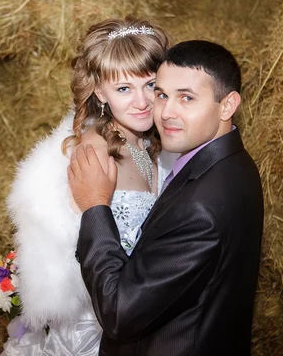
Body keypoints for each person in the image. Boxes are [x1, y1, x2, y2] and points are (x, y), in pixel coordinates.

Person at [68, 40, 264, 355]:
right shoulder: (235, 164)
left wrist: (95, 204)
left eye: (186, 98)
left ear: (227, 105)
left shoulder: (200, 207)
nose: (165, 113)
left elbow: (119, 312)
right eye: (162, 94)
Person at [1, 18, 176, 355]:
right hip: (97, 321)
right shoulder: (96, 152)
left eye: (151, 85)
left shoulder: (144, 141)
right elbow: (79, 243)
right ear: (99, 92)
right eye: (123, 88)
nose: (142, 101)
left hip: (135, 307)